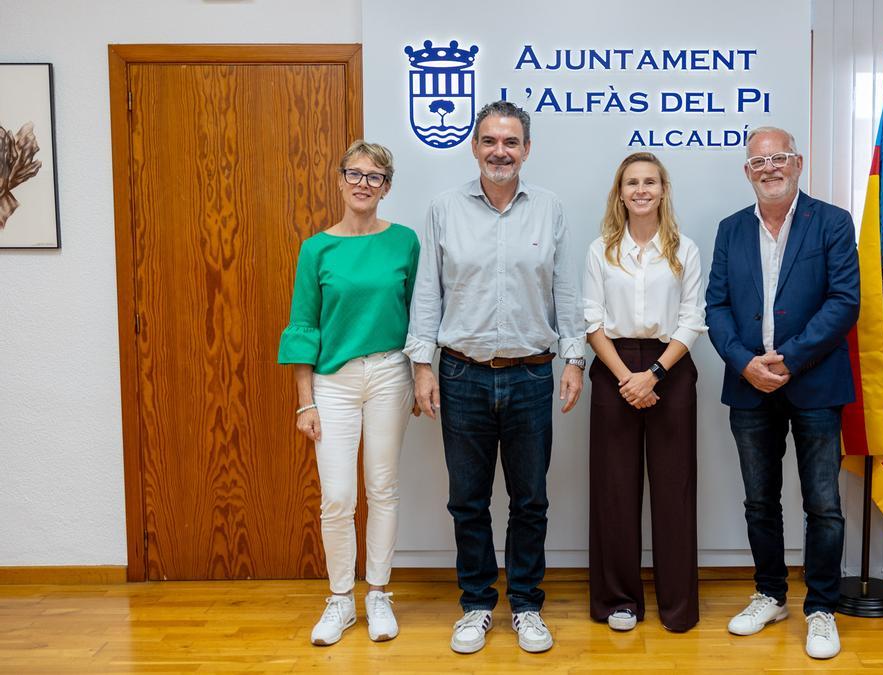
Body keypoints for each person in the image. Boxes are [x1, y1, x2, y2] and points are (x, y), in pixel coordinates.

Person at [403, 101, 586, 655]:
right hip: (462, 375)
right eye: (489, 141)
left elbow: (566, 290)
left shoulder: (550, 208)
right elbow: (428, 292)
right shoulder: (444, 208)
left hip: (532, 375)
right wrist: (422, 366)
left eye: (510, 142)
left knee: (531, 499)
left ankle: (527, 605)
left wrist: (575, 359)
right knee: (468, 500)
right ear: (474, 146)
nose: (499, 151)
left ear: (526, 149)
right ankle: (477, 604)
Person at [705, 127, 859, 659]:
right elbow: (716, 307)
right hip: (749, 386)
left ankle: (821, 608)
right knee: (759, 501)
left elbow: (844, 301)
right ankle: (770, 594)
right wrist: (745, 362)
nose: (769, 168)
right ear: (747, 171)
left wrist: (789, 360)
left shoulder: (832, 222)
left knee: (823, 503)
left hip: (814, 383)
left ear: (798, 162)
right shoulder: (730, 230)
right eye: (758, 161)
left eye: (779, 158)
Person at [278, 140, 419, 646]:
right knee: (337, 497)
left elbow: (420, 315)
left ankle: (378, 593)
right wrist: (305, 398)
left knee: (383, 488)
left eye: (375, 176)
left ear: (387, 187)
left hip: (388, 373)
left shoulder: (405, 241)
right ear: (340, 181)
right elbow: (303, 325)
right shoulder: (317, 248)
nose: (363, 183)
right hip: (331, 384)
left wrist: (423, 375)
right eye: (355, 174)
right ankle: (340, 599)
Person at [583, 152, 706, 633]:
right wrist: (625, 378)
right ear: (620, 192)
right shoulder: (601, 250)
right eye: (631, 182)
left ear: (663, 190)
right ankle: (618, 601)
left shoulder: (685, 250)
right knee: (615, 490)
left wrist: (652, 374)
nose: (640, 190)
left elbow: (693, 319)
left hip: (669, 368)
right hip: (613, 367)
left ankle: (678, 607)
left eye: (649, 182)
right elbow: (592, 321)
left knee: (674, 491)